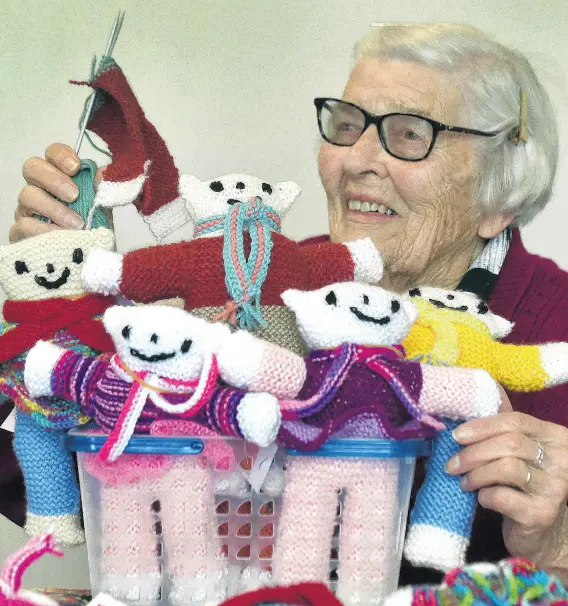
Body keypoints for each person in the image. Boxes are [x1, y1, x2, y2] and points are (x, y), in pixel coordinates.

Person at [8, 23, 568, 584]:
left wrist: (558, 546)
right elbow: (82, 477)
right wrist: (51, 296)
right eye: (347, 125)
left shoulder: (557, 323)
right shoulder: (259, 290)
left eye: (409, 134)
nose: (355, 160)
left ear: (500, 195)